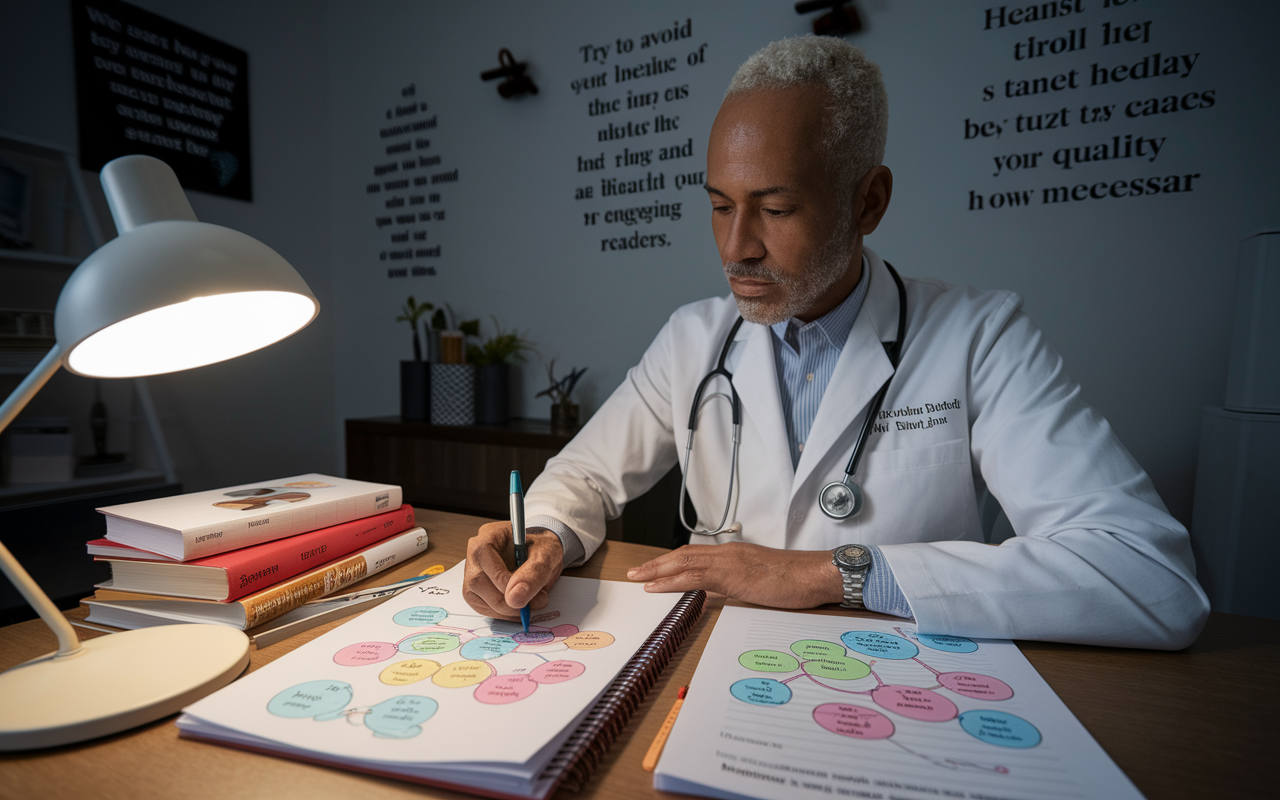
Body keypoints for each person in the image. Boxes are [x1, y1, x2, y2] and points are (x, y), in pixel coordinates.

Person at [463, 36, 1209, 649]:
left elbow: (1150, 577)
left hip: (902, 678)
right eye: (720, 207)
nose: (737, 247)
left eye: (776, 207)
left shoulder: (981, 337)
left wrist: (832, 573)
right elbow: (585, 478)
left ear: (869, 201)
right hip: (724, 664)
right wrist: (547, 537)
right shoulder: (693, 338)